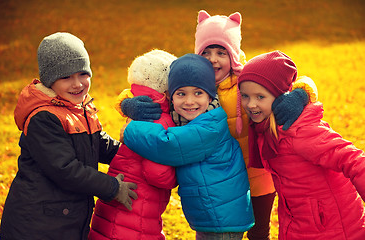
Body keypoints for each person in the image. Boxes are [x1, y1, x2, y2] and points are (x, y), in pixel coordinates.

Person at [119, 10, 316, 240]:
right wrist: (126, 103)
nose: (213, 59)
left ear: (232, 54)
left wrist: (302, 94)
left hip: (256, 173)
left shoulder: (246, 80)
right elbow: (155, 89)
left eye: (221, 52)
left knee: (258, 231)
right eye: (206, 52)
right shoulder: (192, 85)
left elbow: (294, 79)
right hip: (218, 180)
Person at [0, 32, 138, 240]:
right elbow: (65, 169)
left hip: (64, 217)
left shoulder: (77, 107)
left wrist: (132, 152)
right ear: (49, 81)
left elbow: (98, 143)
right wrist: (112, 187)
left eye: (83, 74)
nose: (77, 84)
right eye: (66, 77)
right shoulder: (43, 117)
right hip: (38, 223)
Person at [121, 54, 255, 240]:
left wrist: (130, 130)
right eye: (181, 94)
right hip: (214, 216)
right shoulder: (192, 120)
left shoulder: (209, 127)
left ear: (210, 96)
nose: (189, 101)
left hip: (222, 220)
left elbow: (168, 144)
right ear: (171, 97)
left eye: (198, 93)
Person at [238, 50, 365, 240]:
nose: (251, 104)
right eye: (245, 96)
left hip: (334, 228)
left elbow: (354, 160)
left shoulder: (301, 131)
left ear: (281, 96)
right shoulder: (265, 129)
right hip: (297, 224)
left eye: (260, 97)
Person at [88, 49, 178, 240]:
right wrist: (178, 174)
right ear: (167, 90)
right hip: (136, 207)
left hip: (112, 207)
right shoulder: (162, 121)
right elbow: (157, 172)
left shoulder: (138, 110)